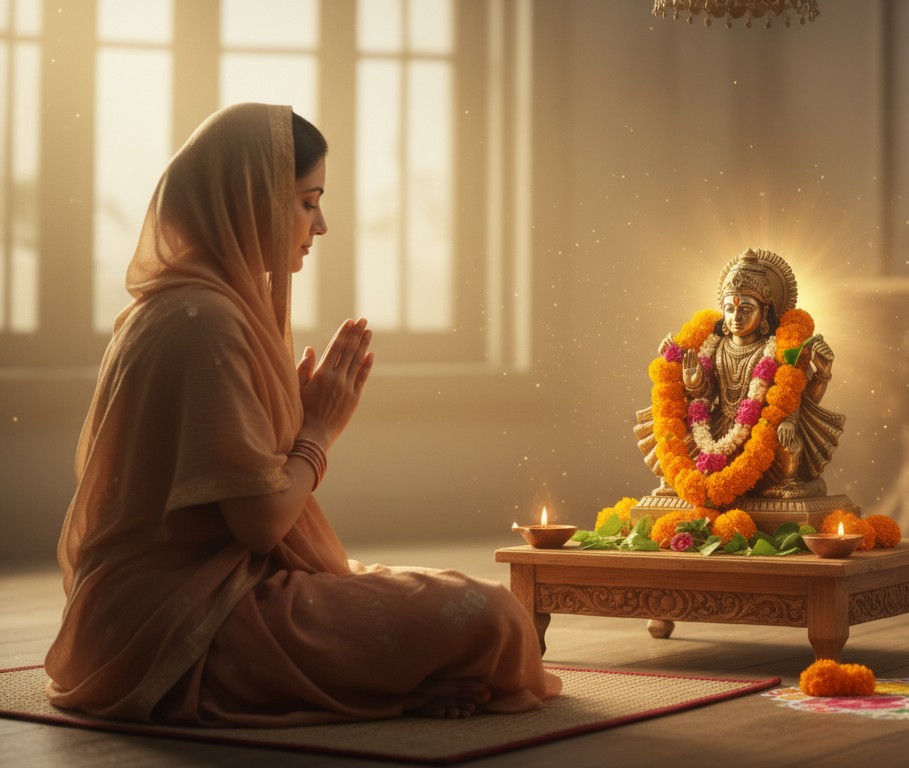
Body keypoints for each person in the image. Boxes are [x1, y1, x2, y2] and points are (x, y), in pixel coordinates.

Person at [44, 103, 561, 726]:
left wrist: (282, 419)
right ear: (248, 198)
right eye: (307, 201)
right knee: (492, 619)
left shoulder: (196, 308)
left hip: (161, 609)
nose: (320, 225)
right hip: (185, 626)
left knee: (454, 603)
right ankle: (386, 690)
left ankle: (387, 687)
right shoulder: (202, 322)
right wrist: (317, 430)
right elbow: (260, 526)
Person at [635, 248, 846, 501]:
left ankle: (796, 482)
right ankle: (691, 485)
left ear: (765, 312)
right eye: (730, 309)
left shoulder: (780, 350)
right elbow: (705, 396)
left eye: (746, 308)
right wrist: (694, 383)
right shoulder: (714, 345)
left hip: (761, 432)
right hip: (716, 430)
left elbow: (795, 397)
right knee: (672, 434)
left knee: (784, 438)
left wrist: (822, 375)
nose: (736, 317)